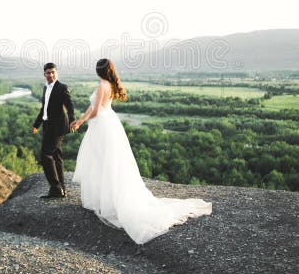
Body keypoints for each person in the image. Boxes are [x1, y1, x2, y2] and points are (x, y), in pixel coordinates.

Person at [71, 59, 212, 244]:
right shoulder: (111, 84)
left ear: (98, 71)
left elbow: (95, 111)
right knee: (112, 164)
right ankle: (108, 199)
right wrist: (82, 119)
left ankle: (106, 201)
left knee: (101, 162)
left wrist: (80, 121)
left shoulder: (101, 86)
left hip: (101, 126)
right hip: (110, 124)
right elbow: (96, 108)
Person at [32, 62, 75, 198]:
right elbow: (43, 109)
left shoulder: (62, 87)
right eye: (48, 72)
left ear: (57, 73)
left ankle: (56, 189)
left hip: (58, 127)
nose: (50, 75)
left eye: (52, 72)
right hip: (47, 125)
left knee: (45, 155)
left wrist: (73, 120)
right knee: (56, 157)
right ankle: (61, 187)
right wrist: (36, 124)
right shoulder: (46, 88)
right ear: (44, 74)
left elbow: (70, 105)